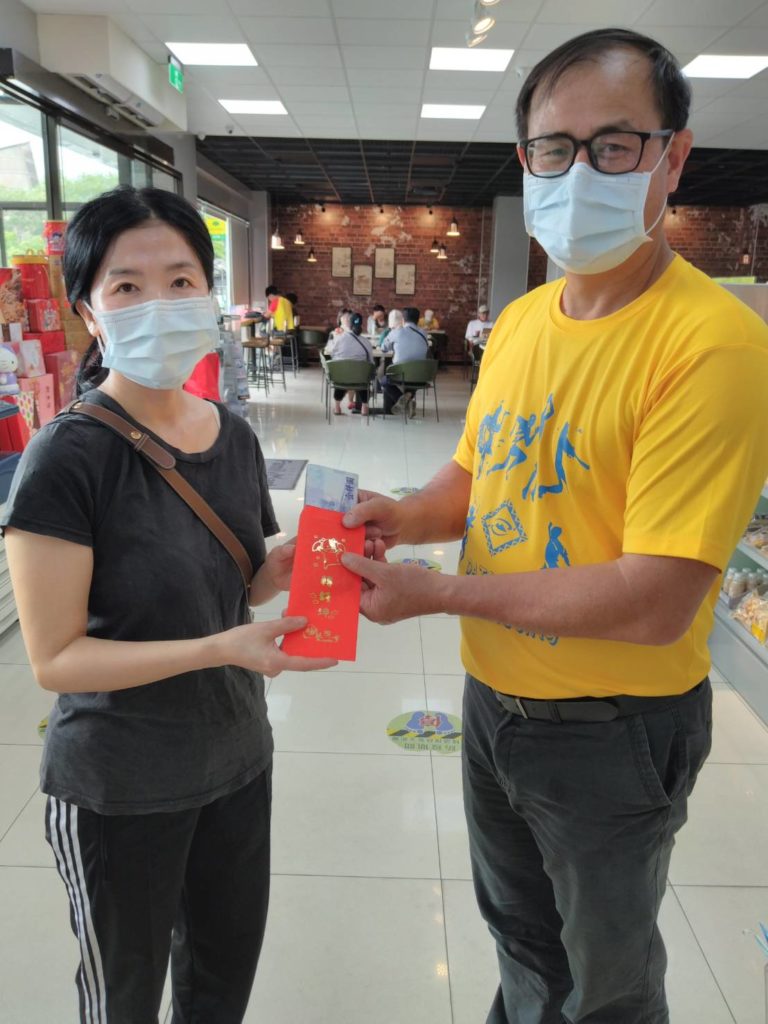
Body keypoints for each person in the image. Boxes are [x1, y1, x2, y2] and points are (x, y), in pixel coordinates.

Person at [339, 28, 768, 1024]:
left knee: (606, 985)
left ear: (673, 158)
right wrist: (405, 515)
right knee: (524, 941)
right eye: (553, 148)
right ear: (525, 158)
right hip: (496, 703)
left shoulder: (713, 346)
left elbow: (655, 600)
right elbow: (475, 473)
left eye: (614, 146)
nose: (579, 174)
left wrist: (438, 593)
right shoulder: (527, 320)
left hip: (613, 729)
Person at [0, 185, 336, 1024]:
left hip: (235, 762)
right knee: (124, 1001)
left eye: (181, 280)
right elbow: (57, 660)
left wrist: (290, 566)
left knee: (220, 987)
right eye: (127, 286)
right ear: (89, 311)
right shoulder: (66, 458)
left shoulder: (233, 435)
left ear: (208, 293)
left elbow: (234, 585)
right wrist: (218, 649)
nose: (160, 302)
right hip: (118, 787)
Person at [379, 306, 429, 418]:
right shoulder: (424, 333)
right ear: (418, 320)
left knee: (384, 380)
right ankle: (409, 397)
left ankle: (406, 402)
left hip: (400, 374)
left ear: (402, 320)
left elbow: (383, 348)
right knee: (413, 373)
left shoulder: (397, 332)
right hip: (421, 377)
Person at [326, 310, 373, 416]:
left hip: (341, 377)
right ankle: (364, 407)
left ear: (349, 324)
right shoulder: (366, 342)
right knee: (363, 379)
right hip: (359, 378)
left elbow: (330, 352)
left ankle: (337, 407)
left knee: (342, 374)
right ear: (361, 325)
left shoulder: (338, 339)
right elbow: (371, 361)